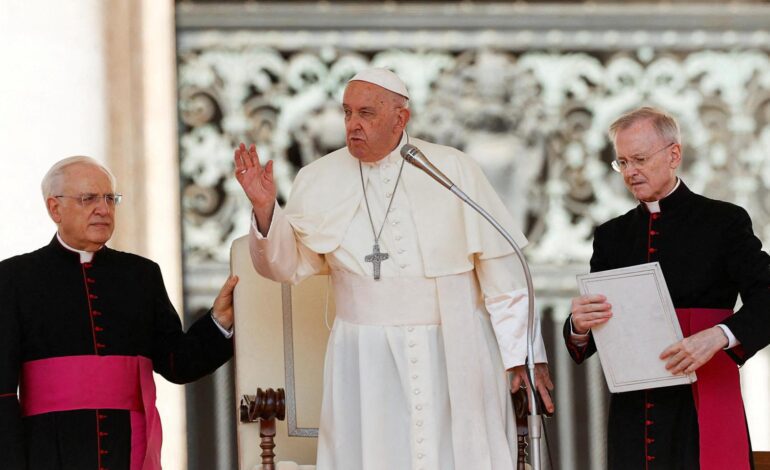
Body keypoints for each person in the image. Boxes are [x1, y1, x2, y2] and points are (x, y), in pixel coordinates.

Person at [235, 67, 553, 470]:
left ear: (400, 119)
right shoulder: (318, 178)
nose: (352, 125)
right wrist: (266, 210)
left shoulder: (451, 170)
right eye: (347, 113)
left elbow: (502, 271)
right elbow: (286, 265)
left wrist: (523, 354)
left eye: (366, 113)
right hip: (364, 358)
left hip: (451, 348)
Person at [564, 107, 770, 469]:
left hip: (704, 397)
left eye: (640, 159)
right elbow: (599, 334)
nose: (630, 172)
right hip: (634, 410)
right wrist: (579, 327)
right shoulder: (611, 236)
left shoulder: (724, 221)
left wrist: (720, 335)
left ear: (674, 154)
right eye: (622, 162)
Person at [0, 156, 238, 470]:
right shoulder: (15, 278)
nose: (103, 208)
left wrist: (218, 321)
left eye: (110, 198)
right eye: (89, 199)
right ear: (54, 208)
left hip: (129, 448)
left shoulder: (141, 274)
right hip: (48, 450)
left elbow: (177, 363)